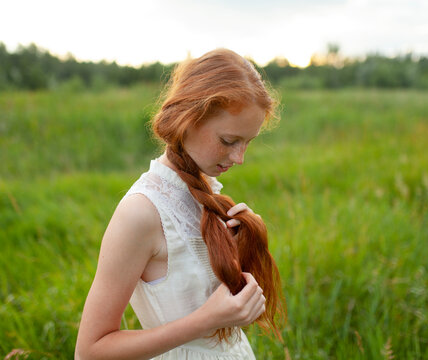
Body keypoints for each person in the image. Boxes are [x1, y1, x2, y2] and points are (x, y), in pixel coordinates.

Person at [75, 48, 285, 360]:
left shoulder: (204, 191)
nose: (239, 158)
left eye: (247, 143)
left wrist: (242, 244)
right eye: (229, 141)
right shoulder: (141, 212)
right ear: (188, 119)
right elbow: (90, 351)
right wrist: (207, 320)